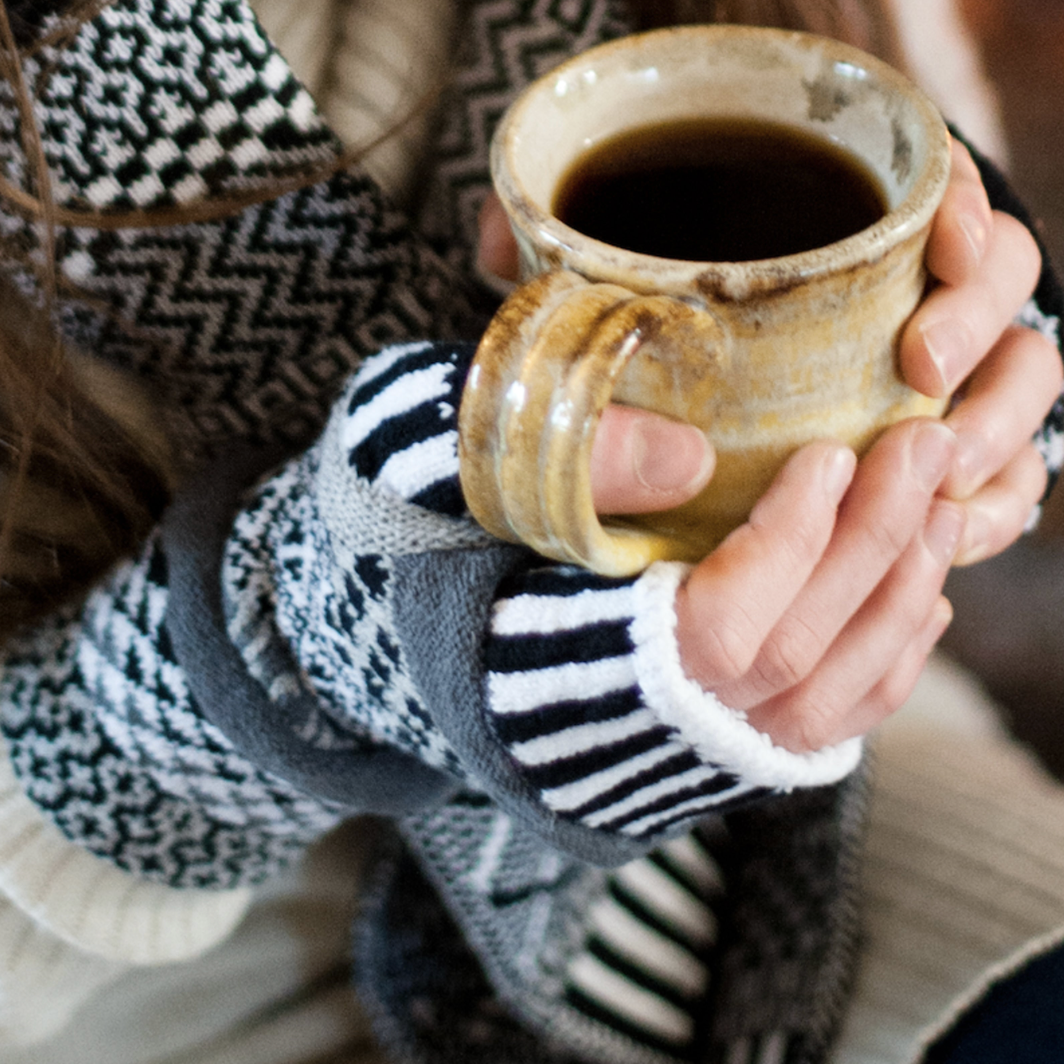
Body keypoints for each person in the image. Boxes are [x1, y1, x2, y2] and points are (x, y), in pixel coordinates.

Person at [0, 1, 1061, 1063]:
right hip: (192, 981)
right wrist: (300, 640)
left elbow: (919, 216)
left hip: (814, 798)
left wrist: (959, 355)